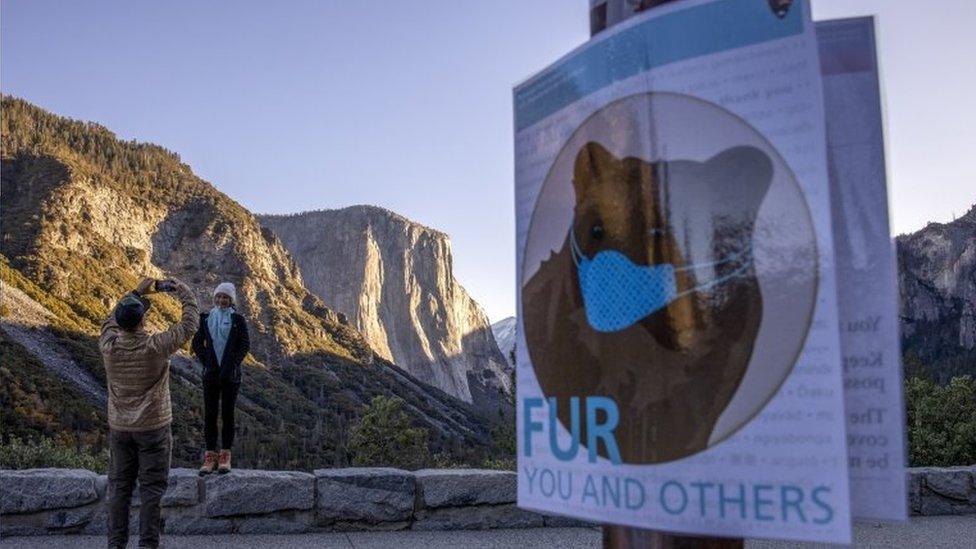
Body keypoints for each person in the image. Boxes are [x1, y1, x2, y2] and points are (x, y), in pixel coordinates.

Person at [100, 277, 198, 549]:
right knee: (152, 489)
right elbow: (189, 325)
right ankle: (147, 544)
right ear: (143, 321)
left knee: (119, 488)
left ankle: (116, 544)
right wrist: (185, 293)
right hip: (153, 426)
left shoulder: (109, 345)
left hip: (120, 427)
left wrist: (134, 292)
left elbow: (109, 320)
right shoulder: (156, 346)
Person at [193, 281, 250, 475]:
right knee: (209, 414)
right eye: (219, 296)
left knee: (227, 415)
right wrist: (207, 362)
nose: (221, 300)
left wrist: (232, 365)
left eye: (225, 297)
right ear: (214, 297)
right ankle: (210, 456)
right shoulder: (206, 318)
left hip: (231, 376)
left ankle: (225, 455)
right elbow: (197, 343)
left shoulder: (237, 320)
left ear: (231, 299)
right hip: (210, 375)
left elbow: (244, 345)